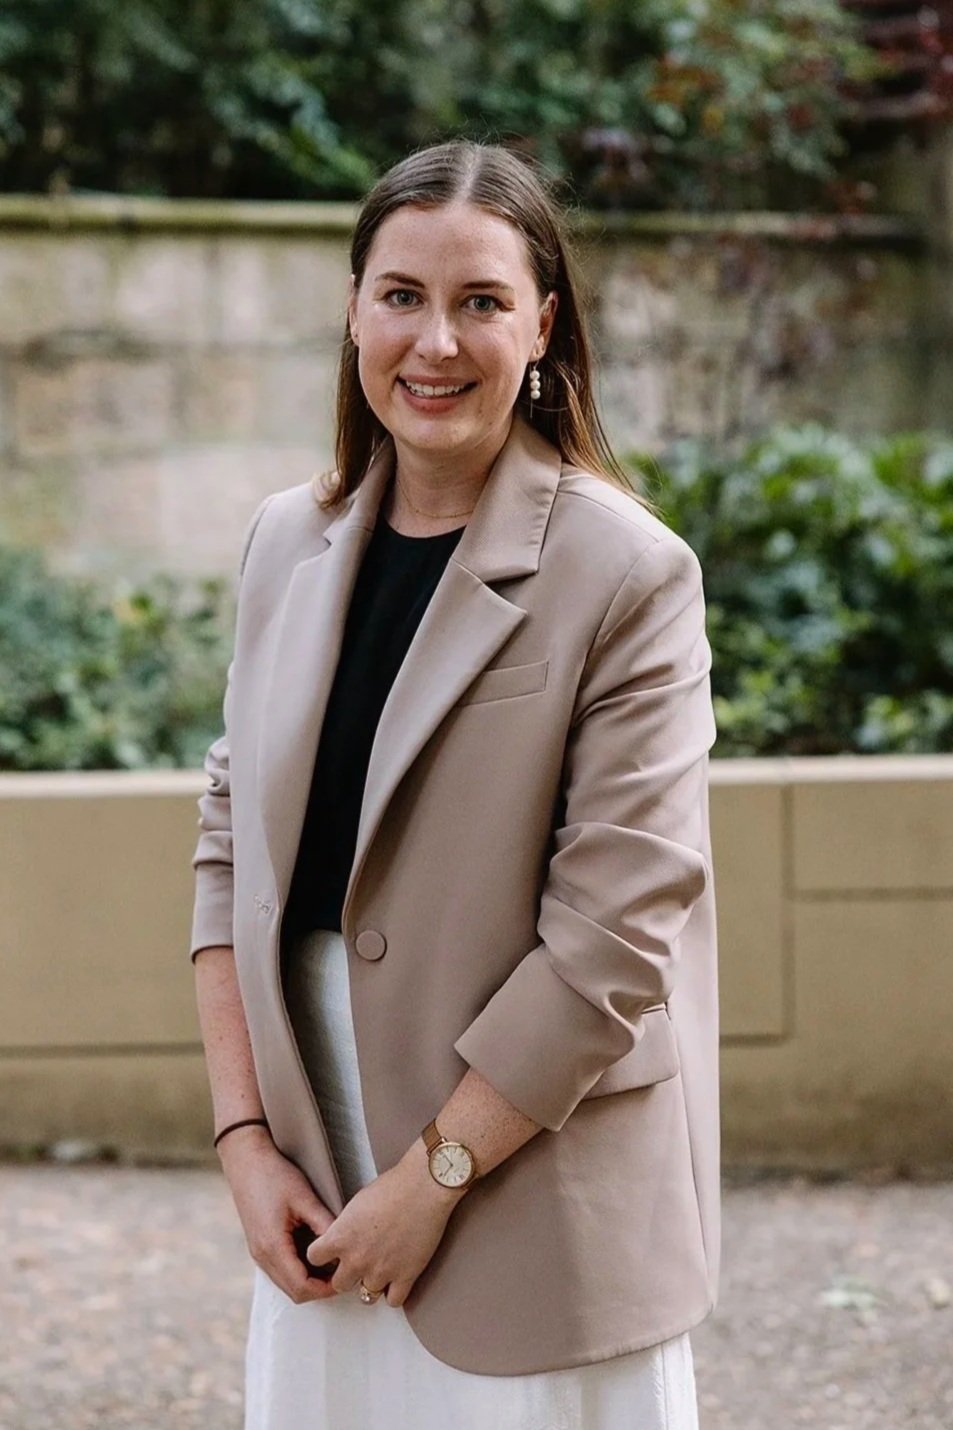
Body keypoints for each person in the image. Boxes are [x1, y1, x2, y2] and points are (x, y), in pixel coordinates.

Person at [190, 138, 719, 1430]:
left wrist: (434, 1174)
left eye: (480, 301)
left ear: (541, 325)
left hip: (527, 1163)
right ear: (354, 308)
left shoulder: (627, 572)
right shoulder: (282, 540)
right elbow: (225, 851)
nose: (435, 342)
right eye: (402, 295)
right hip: (314, 1142)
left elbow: (609, 942)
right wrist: (243, 1139)